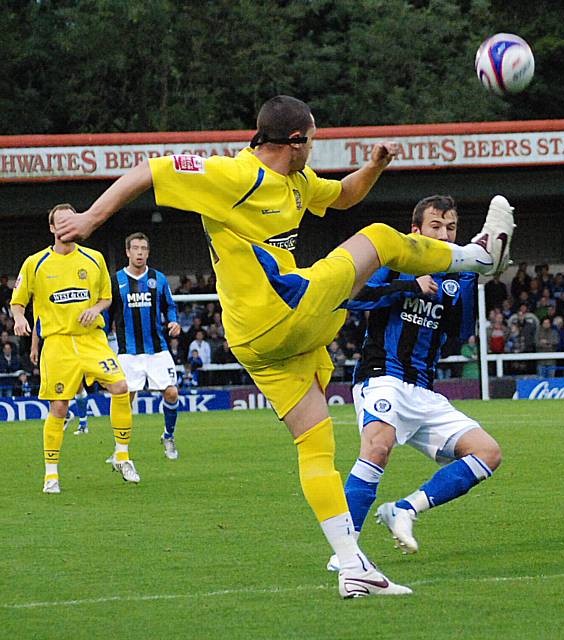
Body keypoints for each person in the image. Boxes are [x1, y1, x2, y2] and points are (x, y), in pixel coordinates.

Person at [54, 95, 514, 598]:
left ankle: (350, 566)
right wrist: (91, 219)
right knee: (381, 238)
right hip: (283, 312)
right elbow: (149, 169)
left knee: (316, 443)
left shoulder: (296, 181)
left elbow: (343, 196)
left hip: (259, 342)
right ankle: (476, 258)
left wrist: (375, 166)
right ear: (294, 142)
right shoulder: (234, 176)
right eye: (312, 140)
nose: (315, 148)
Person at [324, 195, 502, 571]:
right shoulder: (393, 259)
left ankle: (405, 510)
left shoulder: (459, 273)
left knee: (487, 453)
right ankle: (344, 551)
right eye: (436, 226)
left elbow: (459, 334)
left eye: (451, 228)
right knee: (378, 447)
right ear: (416, 231)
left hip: (423, 388)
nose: (445, 233)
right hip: (382, 375)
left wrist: (476, 279)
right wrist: (408, 288)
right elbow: (351, 298)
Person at [11, 203, 139, 493]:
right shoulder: (35, 263)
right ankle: (51, 475)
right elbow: (18, 301)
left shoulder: (94, 259)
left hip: (92, 340)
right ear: (53, 229)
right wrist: (19, 318)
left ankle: (122, 456)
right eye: (62, 223)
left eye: (73, 221)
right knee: (59, 406)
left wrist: (96, 309)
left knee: (121, 387)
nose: (68, 227)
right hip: (58, 343)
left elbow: (106, 298)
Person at [109, 232, 181, 460]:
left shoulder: (158, 279)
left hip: (157, 349)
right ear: (127, 252)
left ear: (148, 252)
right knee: (124, 399)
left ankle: (168, 435)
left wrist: (174, 320)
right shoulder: (116, 281)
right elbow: (106, 313)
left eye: (143, 248)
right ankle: (120, 450)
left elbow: (170, 306)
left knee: (171, 393)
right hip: (127, 352)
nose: (140, 252)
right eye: (135, 248)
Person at [30, 330, 90, 434]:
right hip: (50, 347)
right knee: (51, 387)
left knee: (78, 385)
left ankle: (83, 424)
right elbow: (37, 322)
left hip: (71, 343)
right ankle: (66, 415)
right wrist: (34, 347)